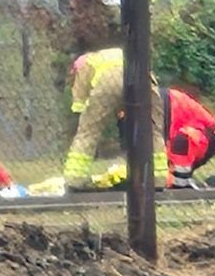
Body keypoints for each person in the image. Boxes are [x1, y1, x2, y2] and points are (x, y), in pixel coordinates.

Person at [62, 45, 167, 190]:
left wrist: (87, 115)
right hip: (141, 76)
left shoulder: (83, 64)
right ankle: (158, 179)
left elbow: (79, 105)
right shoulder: (114, 54)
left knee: (88, 133)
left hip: (109, 81)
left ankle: (75, 179)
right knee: (153, 130)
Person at [162, 87, 215, 189]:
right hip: (179, 138)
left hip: (206, 137)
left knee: (181, 140)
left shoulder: (158, 104)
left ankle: (180, 184)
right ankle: (177, 181)